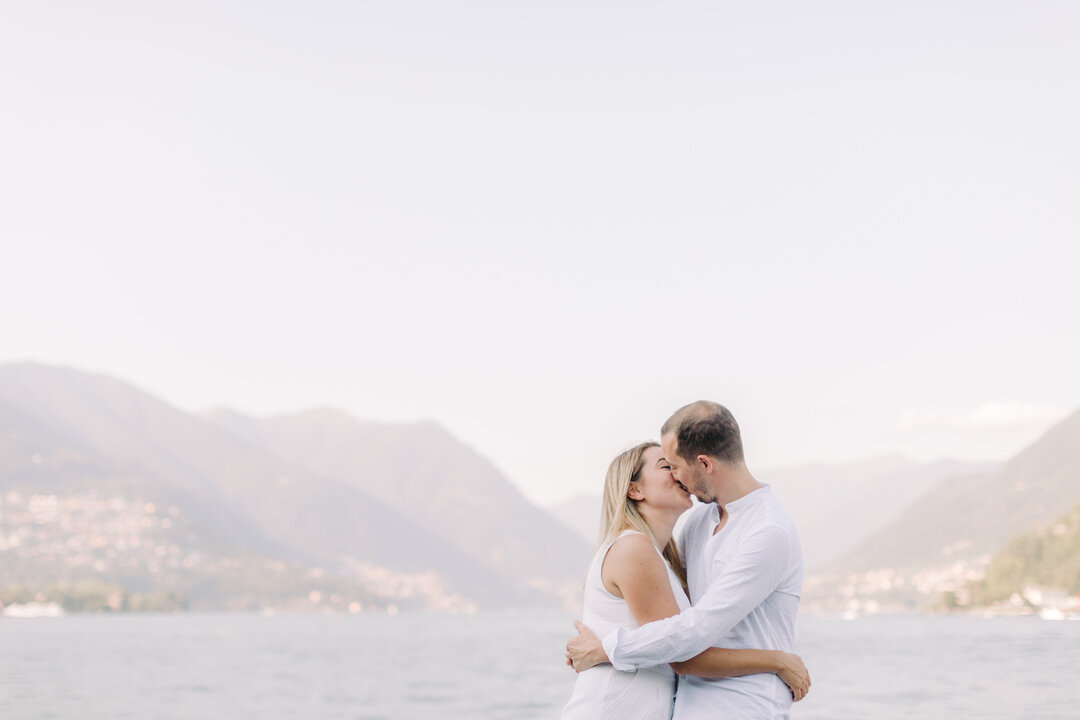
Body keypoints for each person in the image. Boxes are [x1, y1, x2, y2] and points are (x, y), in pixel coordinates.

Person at [566, 402, 806, 720]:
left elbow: (692, 632)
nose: (677, 477)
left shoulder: (767, 532)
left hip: (745, 706)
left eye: (673, 465)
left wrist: (604, 649)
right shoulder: (697, 522)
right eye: (667, 468)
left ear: (704, 464)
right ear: (634, 489)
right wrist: (778, 660)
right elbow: (680, 643)